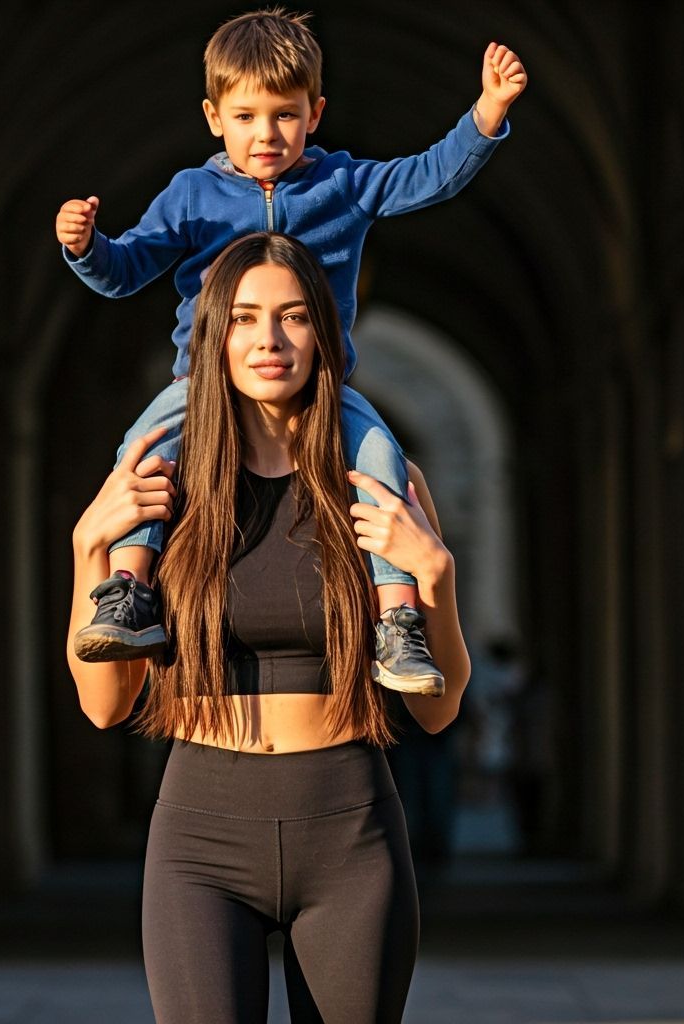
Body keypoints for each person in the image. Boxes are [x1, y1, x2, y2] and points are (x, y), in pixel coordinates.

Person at [56, 8, 525, 695]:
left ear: (316, 112)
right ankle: (129, 590)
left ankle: (397, 625)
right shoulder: (192, 197)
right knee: (146, 447)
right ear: (214, 117)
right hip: (203, 382)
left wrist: (485, 116)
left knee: (380, 461)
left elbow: (427, 175)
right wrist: (84, 248)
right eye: (246, 117)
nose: (265, 135)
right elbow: (128, 269)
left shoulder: (341, 184)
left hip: (325, 385)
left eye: (284, 114)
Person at [66, 233, 470, 1023]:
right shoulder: (163, 486)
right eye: (245, 319)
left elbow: (438, 707)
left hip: (350, 829)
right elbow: (106, 706)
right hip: (200, 839)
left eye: (292, 318)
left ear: (326, 332)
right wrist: (88, 548)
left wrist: (437, 576)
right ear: (213, 339)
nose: (269, 341)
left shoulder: (382, 482)